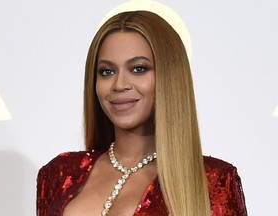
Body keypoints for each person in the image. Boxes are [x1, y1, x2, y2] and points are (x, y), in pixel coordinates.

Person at [36, 0, 247, 215]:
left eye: (138, 68)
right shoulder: (59, 173)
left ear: (169, 78)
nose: (119, 85)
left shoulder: (214, 181)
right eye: (106, 72)